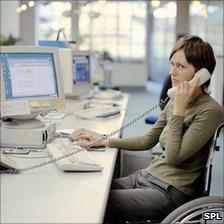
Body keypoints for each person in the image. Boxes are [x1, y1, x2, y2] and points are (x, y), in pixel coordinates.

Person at [74, 35, 224, 222]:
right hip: (148, 176)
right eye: (172, 64)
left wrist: (179, 109)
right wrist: (104, 140)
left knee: (97, 202)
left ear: (201, 74)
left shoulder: (210, 111)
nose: (173, 72)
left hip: (169, 191)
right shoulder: (174, 100)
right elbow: (148, 139)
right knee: (90, 188)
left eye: (181, 66)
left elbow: (173, 157)